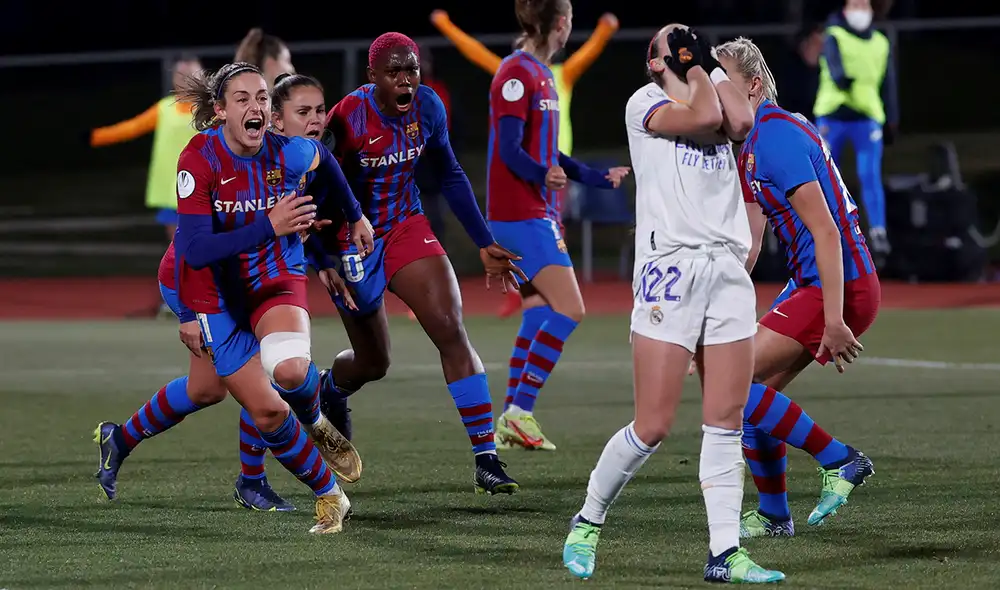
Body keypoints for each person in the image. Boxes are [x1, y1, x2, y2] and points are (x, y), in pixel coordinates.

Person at [95, 62, 372, 534]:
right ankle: (329, 495)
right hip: (205, 289)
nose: (256, 107)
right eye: (242, 99)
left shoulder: (288, 153)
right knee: (236, 399)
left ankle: (312, 419)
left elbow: (325, 161)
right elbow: (195, 250)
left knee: (288, 371)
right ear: (220, 111)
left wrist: (356, 216)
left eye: (262, 98)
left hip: (270, 277)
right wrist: (188, 312)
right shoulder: (199, 159)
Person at [562, 25, 784, 583]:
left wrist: (705, 65)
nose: (687, 51)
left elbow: (742, 120)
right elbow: (708, 119)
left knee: (725, 421)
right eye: (675, 46)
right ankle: (587, 520)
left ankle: (724, 552)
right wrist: (691, 71)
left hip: (728, 272)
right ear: (654, 61)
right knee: (654, 424)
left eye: (689, 45)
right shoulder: (646, 103)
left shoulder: (707, 87)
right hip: (671, 270)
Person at [314, 33, 525, 495]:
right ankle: (332, 388)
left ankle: (486, 458)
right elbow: (316, 188)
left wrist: (483, 241)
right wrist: (323, 256)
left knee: (450, 325)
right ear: (373, 78)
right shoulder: (347, 118)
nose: (406, 79)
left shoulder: (428, 107)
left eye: (411, 69)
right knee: (373, 363)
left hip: (406, 226)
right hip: (352, 241)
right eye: (394, 72)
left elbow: (449, 171)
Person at [716, 37, 878, 537]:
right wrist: (716, 292)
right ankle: (773, 514)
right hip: (812, 282)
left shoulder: (776, 137)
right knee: (749, 401)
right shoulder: (750, 147)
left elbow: (827, 231)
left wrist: (834, 320)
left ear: (754, 86)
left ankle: (841, 460)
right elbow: (750, 240)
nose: (713, 98)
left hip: (839, 285)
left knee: (734, 386)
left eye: (723, 86)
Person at [486, 0, 630, 452]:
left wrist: (593, 176)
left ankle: (510, 420)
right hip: (519, 212)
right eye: (569, 19)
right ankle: (520, 410)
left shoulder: (545, 74)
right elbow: (509, 149)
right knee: (571, 308)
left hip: (536, 210)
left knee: (538, 312)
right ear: (561, 23)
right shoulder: (516, 73)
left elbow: (551, 153)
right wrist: (538, 175)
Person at [429, 8, 620, 318]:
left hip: (558, 171)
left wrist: (604, 32)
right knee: (542, 242)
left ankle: (533, 294)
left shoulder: (560, 75)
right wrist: (447, 26)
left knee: (551, 238)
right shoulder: (516, 75)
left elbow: (590, 52)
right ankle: (529, 293)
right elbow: (475, 52)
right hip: (534, 171)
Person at [814, 0, 899, 258]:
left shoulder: (882, 43)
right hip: (833, 116)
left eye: (864, 4)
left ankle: (878, 233)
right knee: (826, 176)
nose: (859, 9)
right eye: (855, 4)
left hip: (867, 117)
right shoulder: (834, 35)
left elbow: (889, 83)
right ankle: (824, 229)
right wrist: (844, 78)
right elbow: (836, 71)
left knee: (869, 174)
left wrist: (892, 118)